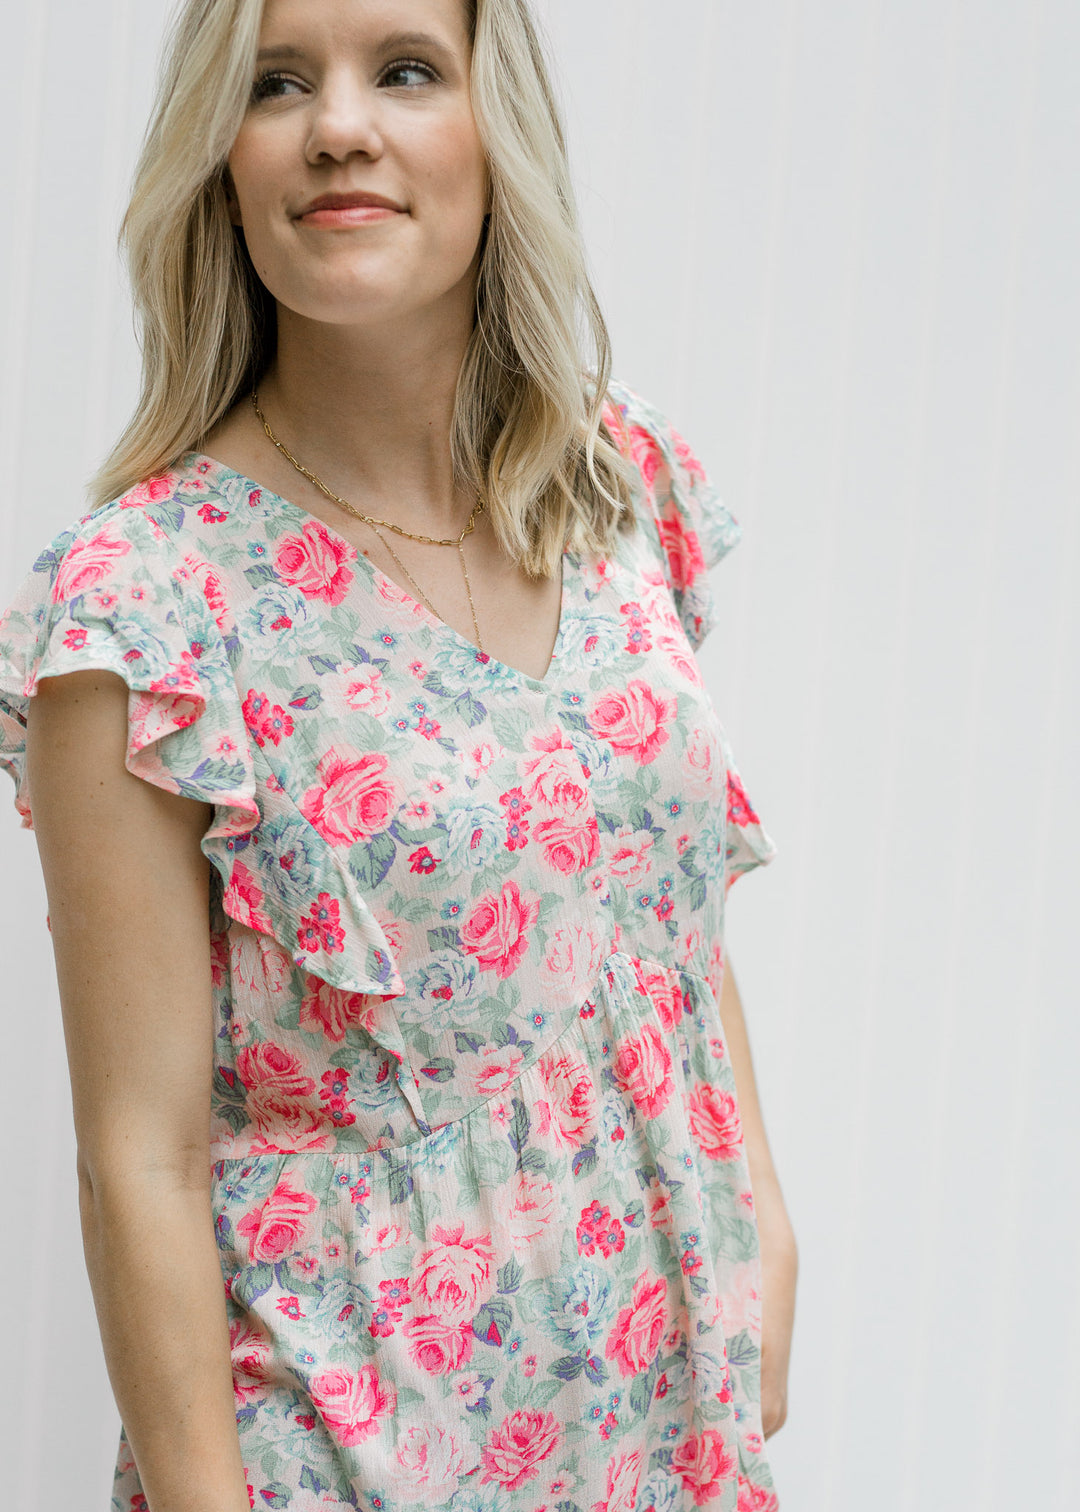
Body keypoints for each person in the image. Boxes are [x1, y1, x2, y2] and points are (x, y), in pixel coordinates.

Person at [0, 0, 798, 1508]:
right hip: (354, 1441)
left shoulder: (616, 483)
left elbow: (658, 915)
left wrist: (763, 1209)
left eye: (407, 69)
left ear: (502, 136)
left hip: (659, 1400)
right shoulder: (142, 605)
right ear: (219, 163)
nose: (339, 125)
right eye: (276, 83)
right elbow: (139, 1162)